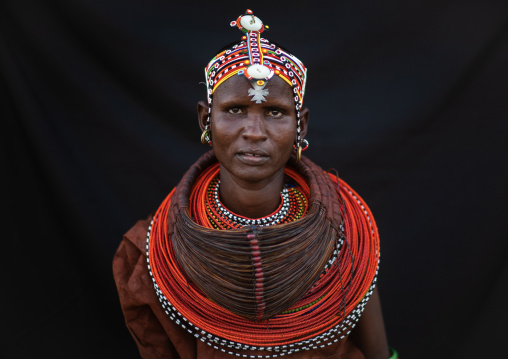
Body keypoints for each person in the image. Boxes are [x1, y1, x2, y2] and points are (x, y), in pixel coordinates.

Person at [113, 9, 397, 359]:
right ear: (206, 119)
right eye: (234, 110)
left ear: (301, 126)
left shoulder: (348, 232)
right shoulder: (149, 254)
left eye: (275, 112)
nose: (254, 132)